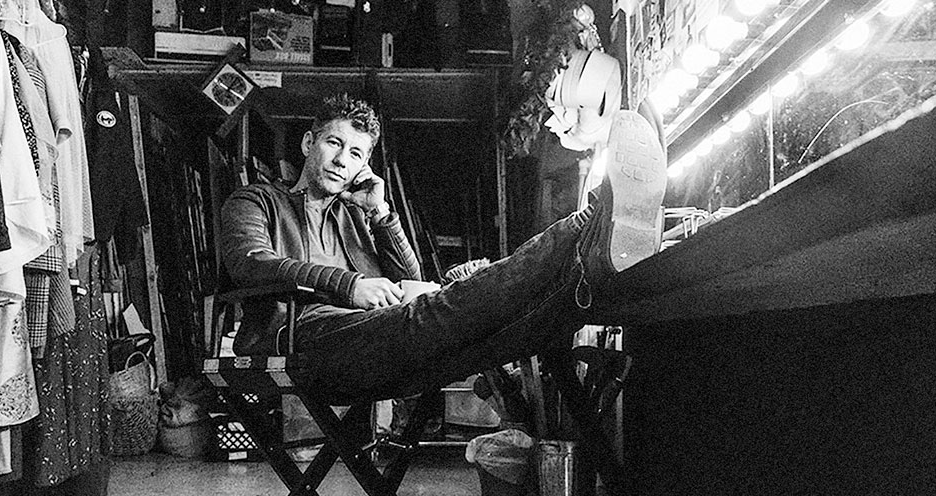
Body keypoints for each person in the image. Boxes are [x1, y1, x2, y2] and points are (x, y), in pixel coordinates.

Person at [220, 94, 666, 404]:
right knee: (438, 310)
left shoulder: (353, 214)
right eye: (334, 143)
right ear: (308, 143)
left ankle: (586, 274)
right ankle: (586, 226)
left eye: (356, 154)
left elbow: (408, 277)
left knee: (503, 338)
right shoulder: (257, 201)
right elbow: (250, 263)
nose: (342, 160)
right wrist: (349, 285)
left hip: (370, 340)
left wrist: (381, 214)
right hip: (299, 340)